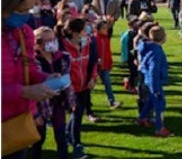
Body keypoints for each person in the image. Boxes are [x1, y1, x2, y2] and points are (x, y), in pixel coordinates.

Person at [2, 0, 57, 159]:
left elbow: (29, 68)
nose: (26, 15)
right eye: (20, 10)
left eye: (29, 9)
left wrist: (45, 79)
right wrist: (24, 91)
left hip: (19, 124)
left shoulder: (24, 32)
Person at [31, 26, 75, 159]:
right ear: (38, 43)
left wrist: (71, 100)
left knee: (61, 138)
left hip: (58, 102)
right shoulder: (31, 61)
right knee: (38, 139)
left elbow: (68, 79)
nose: (53, 42)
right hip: (40, 104)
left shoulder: (64, 57)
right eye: (48, 40)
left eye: (54, 39)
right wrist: (35, 114)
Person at [61, 18, 97, 159]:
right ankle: (76, 144)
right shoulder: (63, 47)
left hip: (84, 86)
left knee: (77, 114)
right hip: (71, 88)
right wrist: (68, 86)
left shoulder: (88, 42)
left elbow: (93, 62)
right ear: (75, 32)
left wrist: (93, 78)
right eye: (84, 29)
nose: (87, 31)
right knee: (77, 114)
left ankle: (69, 136)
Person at [136, 25, 173, 137]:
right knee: (160, 105)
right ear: (162, 38)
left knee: (151, 101)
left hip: (148, 80)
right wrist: (155, 88)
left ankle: (142, 118)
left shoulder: (148, 47)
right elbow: (153, 70)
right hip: (153, 82)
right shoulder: (156, 51)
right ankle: (159, 128)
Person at [94, 20, 122, 109]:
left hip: (105, 66)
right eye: (103, 28)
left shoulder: (106, 39)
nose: (106, 30)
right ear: (97, 30)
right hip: (95, 67)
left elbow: (108, 52)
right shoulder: (94, 39)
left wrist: (110, 63)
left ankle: (112, 101)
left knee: (108, 84)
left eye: (106, 28)